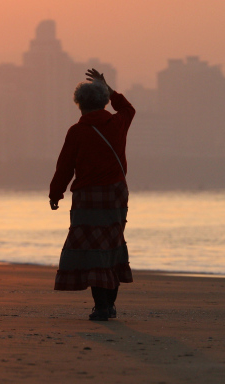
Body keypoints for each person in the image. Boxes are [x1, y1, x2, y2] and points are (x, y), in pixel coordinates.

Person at [49, 68, 135, 321]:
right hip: (116, 194)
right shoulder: (117, 123)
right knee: (111, 245)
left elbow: (64, 166)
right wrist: (107, 85)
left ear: (79, 104)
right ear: (104, 101)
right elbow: (128, 108)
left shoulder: (76, 132)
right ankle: (108, 305)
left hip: (87, 197)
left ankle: (102, 307)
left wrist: (56, 193)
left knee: (93, 248)